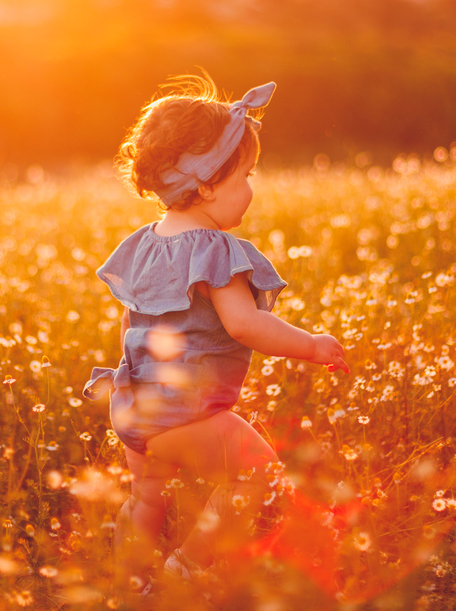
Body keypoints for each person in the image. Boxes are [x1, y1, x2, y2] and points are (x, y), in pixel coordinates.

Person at [82, 77, 350, 592]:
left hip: (134, 402)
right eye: (246, 175)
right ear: (205, 185)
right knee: (259, 476)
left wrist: (130, 379)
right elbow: (245, 323)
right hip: (188, 409)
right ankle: (185, 568)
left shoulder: (143, 243)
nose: (251, 187)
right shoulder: (216, 250)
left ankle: (127, 585)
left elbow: (130, 319)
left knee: (145, 497)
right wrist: (312, 345)